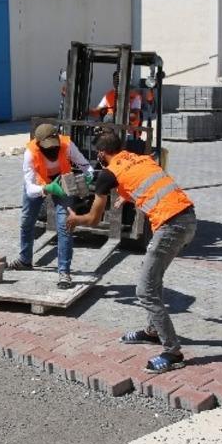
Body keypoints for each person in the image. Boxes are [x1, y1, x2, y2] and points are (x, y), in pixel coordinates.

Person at [66, 132, 197, 374]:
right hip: (187, 217)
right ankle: (152, 331)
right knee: (153, 279)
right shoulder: (141, 158)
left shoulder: (107, 174)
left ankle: (173, 352)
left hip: (171, 226)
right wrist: (126, 197)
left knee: (144, 290)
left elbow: (94, 219)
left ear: (102, 154)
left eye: (98, 155)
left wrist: (76, 220)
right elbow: (142, 180)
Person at [12, 123, 92, 289]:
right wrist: (47, 188)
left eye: (54, 145)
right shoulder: (30, 154)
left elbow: (85, 165)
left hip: (63, 184)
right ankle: (25, 260)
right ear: (39, 144)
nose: (53, 150)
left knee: (64, 226)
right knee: (27, 221)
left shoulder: (67, 145)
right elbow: (30, 189)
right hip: (39, 184)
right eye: (48, 147)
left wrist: (89, 175)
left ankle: (64, 272)